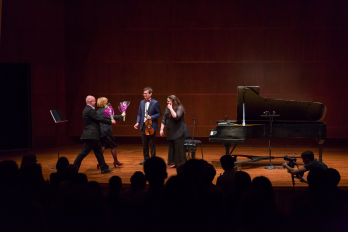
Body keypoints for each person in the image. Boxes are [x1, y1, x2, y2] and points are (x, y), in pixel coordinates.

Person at [74, 95, 115, 174]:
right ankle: (74, 168)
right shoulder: (90, 110)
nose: (95, 102)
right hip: (91, 135)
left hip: (93, 135)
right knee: (84, 152)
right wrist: (110, 121)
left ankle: (104, 168)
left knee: (98, 152)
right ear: (90, 102)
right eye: (94, 101)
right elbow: (98, 118)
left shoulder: (88, 109)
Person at [134, 87, 162, 165]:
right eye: (143, 93)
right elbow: (139, 114)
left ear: (150, 94)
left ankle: (153, 160)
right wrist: (137, 122)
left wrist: (151, 117)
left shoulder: (155, 103)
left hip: (151, 126)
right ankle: (146, 159)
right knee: (144, 144)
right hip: (143, 126)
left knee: (152, 144)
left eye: (146, 93)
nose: (144, 95)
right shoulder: (141, 102)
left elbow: (159, 113)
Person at [96, 97, 125, 168]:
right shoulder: (106, 110)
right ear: (104, 103)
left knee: (102, 146)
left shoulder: (97, 111)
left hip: (100, 131)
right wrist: (122, 115)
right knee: (113, 146)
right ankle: (116, 161)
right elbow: (113, 117)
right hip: (107, 131)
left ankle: (100, 162)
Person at [160, 95, 186, 168]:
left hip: (178, 131)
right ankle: (173, 163)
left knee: (178, 148)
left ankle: (181, 164)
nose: (167, 103)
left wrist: (171, 109)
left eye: (169, 101)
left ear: (173, 101)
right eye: (167, 101)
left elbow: (176, 117)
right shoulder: (167, 108)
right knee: (172, 148)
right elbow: (164, 118)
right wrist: (161, 129)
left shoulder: (180, 108)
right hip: (171, 131)